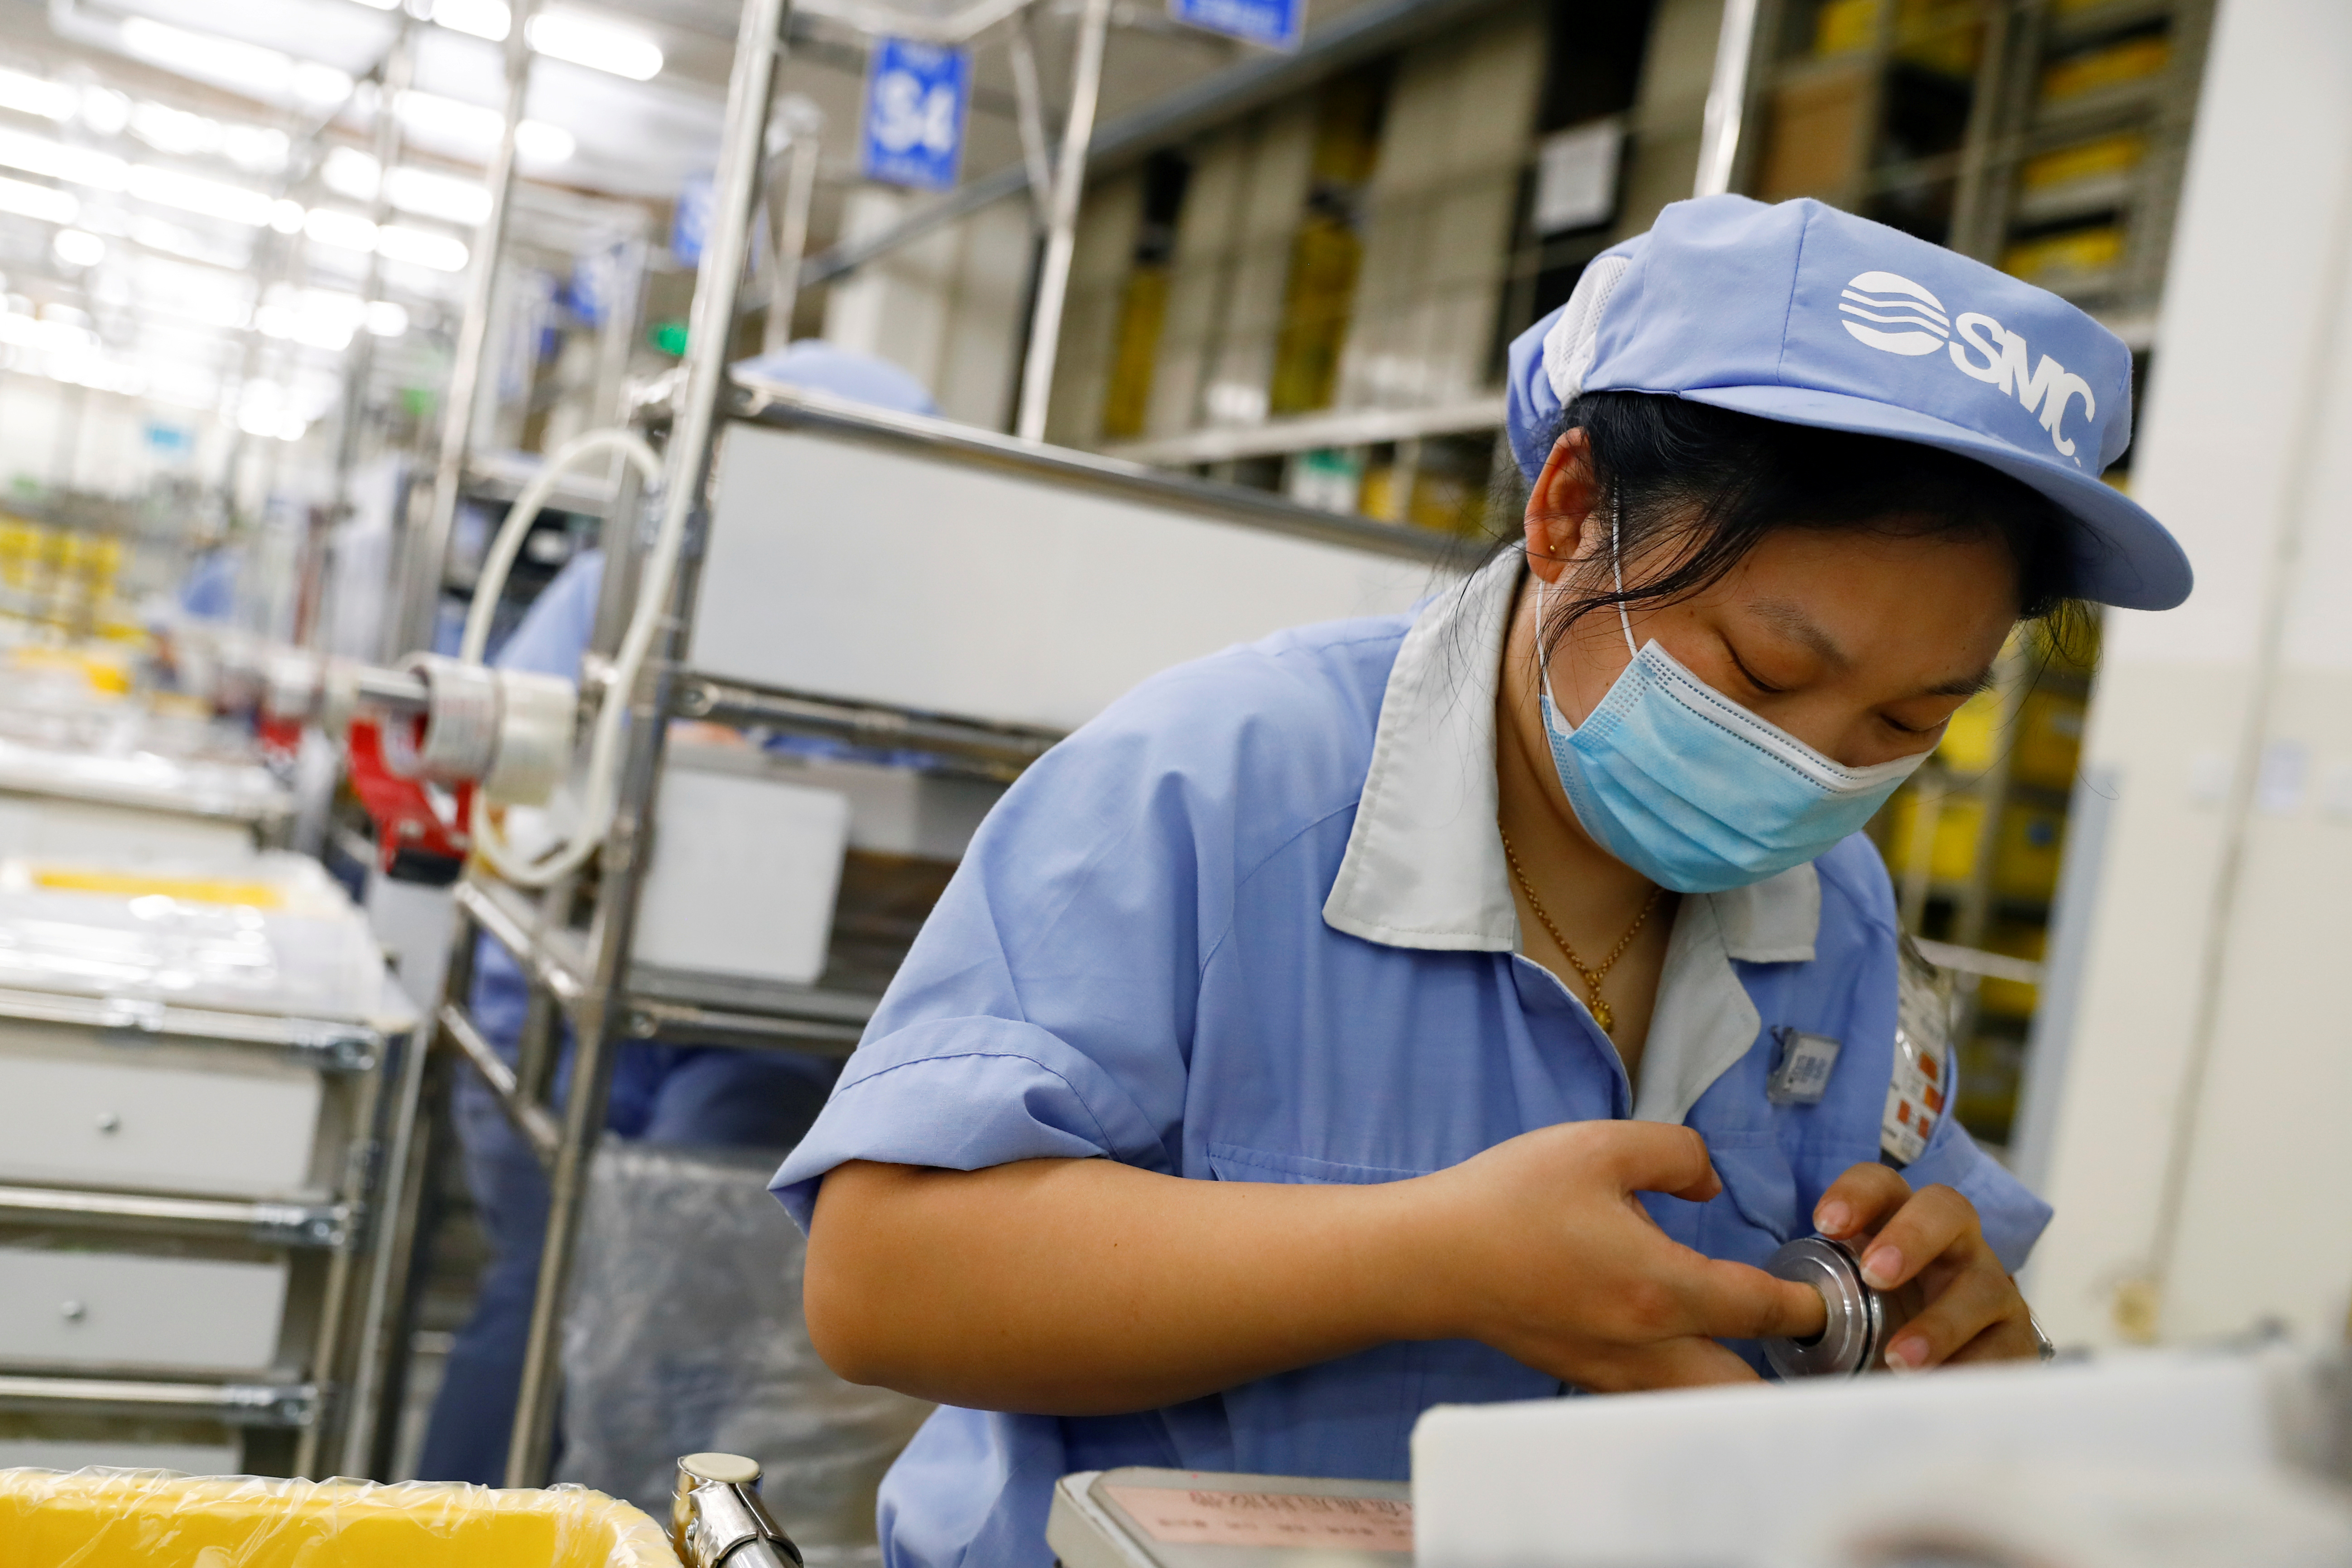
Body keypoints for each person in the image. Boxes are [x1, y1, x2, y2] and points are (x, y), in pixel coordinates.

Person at [769, 195, 2193, 1567]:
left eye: (1906, 722)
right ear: (1572, 510)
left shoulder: (1837, 912)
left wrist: (1937, 1351)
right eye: (1764, 672)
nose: (1814, 772)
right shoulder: (1216, 783)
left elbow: (1864, 1307)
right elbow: (883, 1277)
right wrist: (1426, 1256)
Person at [414, 341, 941, 1485]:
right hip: (567, 1003)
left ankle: (596, 1528)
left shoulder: (863, 602)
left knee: (658, 1319)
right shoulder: (651, 572)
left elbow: (888, 818)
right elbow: (537, 781)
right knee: (564, 1304)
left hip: (735, 1017)